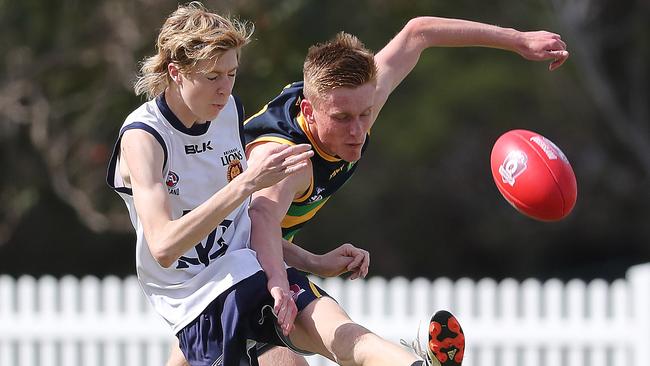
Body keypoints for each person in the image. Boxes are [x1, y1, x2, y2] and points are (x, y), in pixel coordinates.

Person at [109, 2, 461, 366]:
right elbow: (163, 247)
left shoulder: (228, 109)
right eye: (212, 77)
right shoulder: (145, 138)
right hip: (199, 297)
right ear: (176, 72)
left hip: (246, 266)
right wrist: (246, 184)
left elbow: (238, 228)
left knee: (332, 326)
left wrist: (315, 262)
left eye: (231, 74)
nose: (224, 88)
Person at [240, 16, 569, 366]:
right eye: (342, 118)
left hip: (238, 257)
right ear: (309, 111)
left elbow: (418, 32)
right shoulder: (285, 161)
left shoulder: (355, 101)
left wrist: (517, 39)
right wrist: (283, 278)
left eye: (365, 114)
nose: (357, 131)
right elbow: (255, 224)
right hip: (215, 270)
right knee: (334, 337)